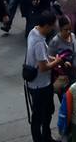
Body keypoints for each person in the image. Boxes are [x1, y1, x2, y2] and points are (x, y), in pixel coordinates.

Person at [24, 10, 59, 142]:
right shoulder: (38, 41)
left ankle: (45, 135)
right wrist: (56, 62)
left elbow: (42, 57)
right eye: (51, 27)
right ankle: (41, 138)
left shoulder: (33, 32)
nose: (52, 30)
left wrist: (52, 59)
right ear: (46, 26)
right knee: (40, 115)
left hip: (37, 83)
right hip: (41, 84)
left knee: (45, 112)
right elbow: (43, 67)